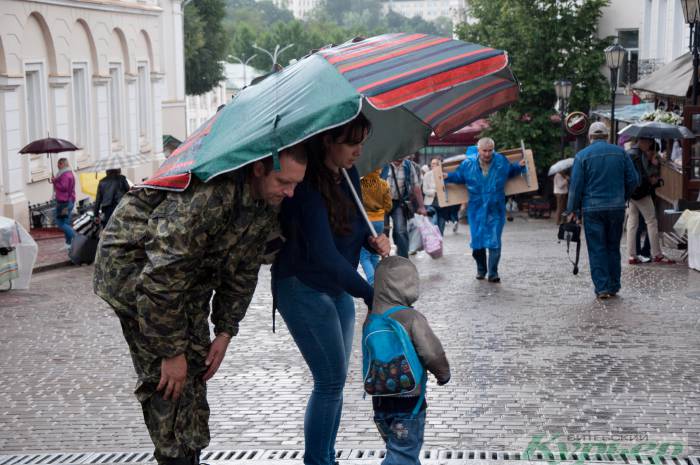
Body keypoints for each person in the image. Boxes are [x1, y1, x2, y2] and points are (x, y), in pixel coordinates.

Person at [93, 145, 308, 465]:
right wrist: (170, 351)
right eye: (283, 182)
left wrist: (224, 331)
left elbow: (244, 269)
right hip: (135, 276)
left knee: (195, 367)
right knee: (167, 379)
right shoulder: (209, 195)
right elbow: (160, 278)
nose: (290, 193)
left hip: (187, 282)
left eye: (295, 184)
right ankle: (174, 458)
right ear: (260, 169)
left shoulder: (263, 202)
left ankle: (190, 454)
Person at [273, 114, 390, 465]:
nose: (358, 151)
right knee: (329, 379)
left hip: (337, 287)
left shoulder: (349, 175)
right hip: (302, 286)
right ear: (328, 141)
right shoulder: (306, 187)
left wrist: (373, 242)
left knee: (335, 382)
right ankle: (318, 461)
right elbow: (324, 254)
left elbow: (350, 235)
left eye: (362, 143)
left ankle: (326, 457)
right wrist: (372, 294)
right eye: (351, 143)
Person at [367, 256, 450, 465]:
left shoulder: (371, 320)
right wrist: (443, 374)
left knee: (400, 451)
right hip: (409, 401)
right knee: (403, 455)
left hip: (379, 400)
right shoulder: (412, 318)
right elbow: (432, 353)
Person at [566, 121, 639, 299]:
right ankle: (614, 285)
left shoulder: (582, 156)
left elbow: (576, 186)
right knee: (613, 247)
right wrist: (622, 196)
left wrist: (572, 209)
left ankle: (603, 287)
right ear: (607, 136)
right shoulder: (621, 153)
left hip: (592, 209)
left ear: (590, 137)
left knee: (597, 247)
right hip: (616, 208)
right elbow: (634, 180)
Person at [444, 138, 526, 283]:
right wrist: (448, 177)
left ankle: (493, 273)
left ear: (493, 149)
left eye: (490, 150)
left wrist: (519, 166)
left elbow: (510, 171)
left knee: (495, 241)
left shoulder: (501, 161)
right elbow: (459, 177)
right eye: (484, 150)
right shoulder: (468, 164)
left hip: (495, 207)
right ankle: (481, 269)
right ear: (478, 150)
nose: (487, 154)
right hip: (476, 208)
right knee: (477, 243)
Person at [626, 137, 675, 265]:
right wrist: (651, 180)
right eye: (649, 143)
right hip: (642, 193)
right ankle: (657, 254)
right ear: (643, 141)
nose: (649, 146)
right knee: (651, 221)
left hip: (631, 193)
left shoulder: (629, 153)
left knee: (632, 223)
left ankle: (632, 255)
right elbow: (643, 176)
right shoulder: (639, 155)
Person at [381, 157, 427, 258]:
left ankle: (403, 258)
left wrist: (422, 207)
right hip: (381, 203)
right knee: (383, 231)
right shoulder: (383, 163)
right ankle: (384, 257)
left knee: (401, 231)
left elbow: (416, 187)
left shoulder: (409, 166)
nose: (401, 156)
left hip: (398, 203)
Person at [360, 168, 392, 285]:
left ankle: (373, 282)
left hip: (365, 220)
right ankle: (380, 281)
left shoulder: (360, 183)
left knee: (364, 255)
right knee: (375, 253)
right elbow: (389, 205)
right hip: (379, 220)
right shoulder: (383, 184)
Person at [51, 158, 76, 249]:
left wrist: (55, 181)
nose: (58, 165)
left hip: (64, 202)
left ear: (64, 164)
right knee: (66, 222)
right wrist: (56, 180)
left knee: (60, 223)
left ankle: (75, 237)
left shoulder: (65, 175)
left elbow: (63, 188)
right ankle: (68, 243)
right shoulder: (68, 173)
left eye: (59, 164)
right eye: (58, 163)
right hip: (69, 200)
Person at [423, 158, 446, 235]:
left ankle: (439, 244)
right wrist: (435, 192)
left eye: (436, 163)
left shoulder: (444, 175)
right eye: (432, 163)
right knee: (433, 223)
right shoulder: (427, 175)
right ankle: (433, 243)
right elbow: (425, 190)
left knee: (441, 227)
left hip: (442, 204)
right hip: (430, 203)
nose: (434, 165)